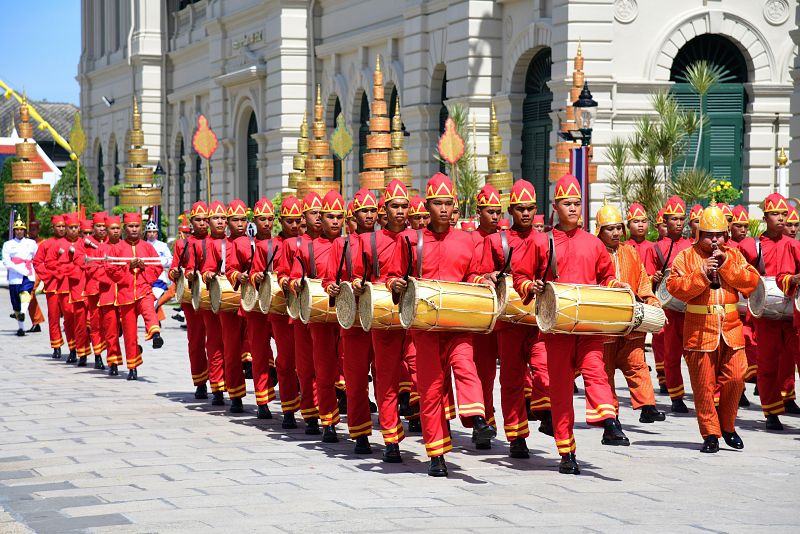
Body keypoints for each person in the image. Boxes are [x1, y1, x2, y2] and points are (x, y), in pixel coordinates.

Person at [513, 174, 627, 476]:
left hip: (588, 325)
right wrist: (531, 287)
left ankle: (609, 422)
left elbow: (606, 276)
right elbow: (520, 276)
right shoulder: (541, 241)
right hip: (556, 327)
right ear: (555, 207)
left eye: (577, 203)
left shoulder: (594, 243)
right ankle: (567, 452)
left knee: (595, 370)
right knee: (561, 390)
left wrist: (616, 286)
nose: (573, 208)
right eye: (567, 203)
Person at [386, 172, 496, 477]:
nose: (444, 209)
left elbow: (472, 274)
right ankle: (436, 455)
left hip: (458, 322)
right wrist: (396, 285)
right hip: (425, 326)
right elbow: (393, 275)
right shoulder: (409, 240)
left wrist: (483, 280)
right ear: (427, 206)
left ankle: (478, 420)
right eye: (438, 203)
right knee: (431, 389)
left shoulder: (467, 240)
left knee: (465, 366)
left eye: (448, 203)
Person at [666, 205, 759, 452]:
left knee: (736, 378)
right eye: (709, 235)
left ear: (726, 234)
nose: (715, 240)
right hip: (699, 330)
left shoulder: (734, 255)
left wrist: (726, 265)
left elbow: (751, 282)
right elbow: (675, 287)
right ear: (699, 234)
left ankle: (727, 426)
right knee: (703, 386)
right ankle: (710, 434)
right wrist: (702, 274)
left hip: (731, 329)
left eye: (719, 235)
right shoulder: (686, 256)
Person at [481, 179, 551, 459]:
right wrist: (489, 277)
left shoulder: (545, 241)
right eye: (520, 208)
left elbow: (553, 277)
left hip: (537, 319)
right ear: (510, 210)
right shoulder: (496, 241)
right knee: (511, 379)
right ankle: (517, 436)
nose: (525, 213)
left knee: (544, 369)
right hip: (509, 322)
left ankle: (545, 412)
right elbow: (482, 273)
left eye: (530, 208)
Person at [356, 180, 419, 462]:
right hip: (383, 318)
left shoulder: (417, 239)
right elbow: (358, 277)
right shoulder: (370, 241)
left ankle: (432, 428)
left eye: (404, 206)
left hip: (415, 318)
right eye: (395, 206)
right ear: (385, 209)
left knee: (423, 374)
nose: (400, 211)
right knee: (386, 379)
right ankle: (391, 438)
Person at [595, 202, 665, 424]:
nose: (615, 232)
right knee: (605, 371)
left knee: (637, 363)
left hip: (632, 321)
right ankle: (611, 416)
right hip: (605, 323)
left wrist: (651, 300)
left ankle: (648, 406)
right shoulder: (594, 252)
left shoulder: (631, 252)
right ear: (599, 231)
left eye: (618, 228)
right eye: (610, 229)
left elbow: (643, 281)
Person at [290, 190, 347, 442]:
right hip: (319, 317)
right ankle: (327, 420)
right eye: (329, 217)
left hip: (347, 318)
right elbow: (293, 278)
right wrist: (298, 284)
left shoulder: (350, 245)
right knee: (319, 370)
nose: (334, 221)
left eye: (338, 217)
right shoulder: (307, 248)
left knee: (348, 371)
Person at [324, 188, 378, 454]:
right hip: (353, 320)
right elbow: (329, 279)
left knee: (386, 380)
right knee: (356, 380)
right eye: (363, 211)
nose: (368, 215)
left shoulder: (388, 240)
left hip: (381, 320)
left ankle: (391, 437)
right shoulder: (341, 245)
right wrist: (335, 287)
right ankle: (360, 433)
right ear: (353, 215)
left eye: (372, 211)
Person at [737, 193, 797, 430]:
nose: (781, 218)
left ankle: (788, 397)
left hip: (793, 315)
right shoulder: (752, 246)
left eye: (784, 214)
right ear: (764, 218)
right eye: (775, 214)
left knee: (792, 361)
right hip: (766, 315)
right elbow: (739, 274)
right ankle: (771, 412)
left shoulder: (794, 245)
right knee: (768, 364)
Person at [251, 195, 304, 429]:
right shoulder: (267, 246)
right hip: (277, 308)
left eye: (297, 221)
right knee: (280, 358)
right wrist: (258, 278)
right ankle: (281, 406)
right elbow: (254, 272)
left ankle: (310, 409)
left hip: (302, 309)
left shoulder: (307, 244)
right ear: (281, 221)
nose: (294, 225)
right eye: (289, 221)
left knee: (302, 360)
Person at [277, 192, 323, 433]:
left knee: (324, 366)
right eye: (314, 213)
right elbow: (284, 273)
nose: (319, 217)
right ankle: (300, 411)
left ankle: (326, 414)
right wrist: (290, 283)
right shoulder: (291, 244)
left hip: (326, 313)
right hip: (300, 312)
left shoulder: (336, 242)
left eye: (321, 213)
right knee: (296, 363)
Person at [228, 197, 277, 419]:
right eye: (262, 219)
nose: (266, 223)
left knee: (288, 355)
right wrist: (240, 276)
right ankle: (262, 401)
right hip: (255, 306)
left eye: (270, 219)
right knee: (259, 353)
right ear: (254, 221)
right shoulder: (243, 244)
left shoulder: (282, 243)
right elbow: (231, 269)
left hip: (279, 306)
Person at [644, 196, 692, 412]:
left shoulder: (692, 246)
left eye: (681, 219)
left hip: (691, 308)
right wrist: (653, 279)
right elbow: (646, 280)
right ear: (665, 221)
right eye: (674, 219)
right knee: (672, 354)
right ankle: (676, 397)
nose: (679, 223)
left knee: (694, 354)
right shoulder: (656, 248)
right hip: (669, 309)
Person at [202, 200, 249, 412]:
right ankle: (233, 393)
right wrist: (209, 276)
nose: (239, 224)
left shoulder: (254, 243)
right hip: (228, 301)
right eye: (235, 220)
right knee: (227, 348)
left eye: (243, 220)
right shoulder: (218, 245)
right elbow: (207, 270)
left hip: (253, 302)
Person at [107, 213, 164, 380]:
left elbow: (157, 267)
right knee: (130, 333)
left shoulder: (148, 247)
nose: (134, 229)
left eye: (136, 226)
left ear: (141, 228)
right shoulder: (117, 248)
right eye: (130, 226)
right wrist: (127, 267)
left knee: (149, 310)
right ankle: (132, 367)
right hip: (125, 295)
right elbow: (111, 272)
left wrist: (144, 267)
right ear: (125, 228)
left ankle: (155, 334)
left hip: (143, 289)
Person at [169, 201, 216, 397]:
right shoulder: (182, 244)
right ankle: (200, 382)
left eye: (205, 220)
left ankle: (217, 383)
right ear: (191, 222)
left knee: (214, 341)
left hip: (212, 297)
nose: (202, 223)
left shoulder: (215, 242)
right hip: (191, 298)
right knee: (195, 341)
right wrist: (177, 273)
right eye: (198, 220)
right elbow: (173, 269)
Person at [469, 184, 502, 450]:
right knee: (484, 374)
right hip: (479, 316)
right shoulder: (469, 240)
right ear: (479, 212)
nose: (495, 216)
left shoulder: (506, 239)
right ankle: (484, 423)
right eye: (490, 211)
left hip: (507, 316)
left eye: (498, 212)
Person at [728, 205, 758, 403]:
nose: (743, 229)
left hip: (750, 301)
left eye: (745, 226)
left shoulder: (752, 245)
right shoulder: (726, 245)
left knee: (752, 344)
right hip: (732, 304)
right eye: (738, 225)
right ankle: (739, 390)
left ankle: (755, 382)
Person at [57, 213, 91, 364]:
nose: (73, 230)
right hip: (65, 287)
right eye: (70, 227)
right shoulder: (58, 244)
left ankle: (85, 350)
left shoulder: (86, 244)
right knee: (70, 320)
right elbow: (55, 265)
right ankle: (72, 349)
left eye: (76, 227)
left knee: (84, 321)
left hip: (83, 286)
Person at [34, 215, 67, 358]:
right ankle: (56, 346)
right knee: (53, 317)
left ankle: (74, 347)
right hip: (52, 286)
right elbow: (37, 262)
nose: (61, 229)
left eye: (63, 226)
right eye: (58, 226)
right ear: (52, 228)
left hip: (68, 285)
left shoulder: (71, 243)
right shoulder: (45, 244)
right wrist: (48, 276)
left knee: (70, 317)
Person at [95, 216, 123, 375]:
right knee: (111, 331)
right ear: (107, 230)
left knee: (128, 329)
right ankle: (113, 361)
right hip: (108, 294)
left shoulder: (127, 247)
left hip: (126, 294)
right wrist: (113, 276)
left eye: (118, 228)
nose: (116, 231)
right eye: (112, 228)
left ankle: (134, 355)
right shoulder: (100, 249)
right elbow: (94, 269)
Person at [2, 216, 38, 336]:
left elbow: (37, 257)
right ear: (14, 231)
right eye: (17, 229)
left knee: (25, 293)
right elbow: (6, 261)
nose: (19, 231)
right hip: (14, 276)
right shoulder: (8, 244)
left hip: (28, 274)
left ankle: (23, 312)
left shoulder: (31, 243)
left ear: (24, 230)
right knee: (16, 303)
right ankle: (21, 328)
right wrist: (18, 268)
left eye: (21, 229)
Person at [83, 212, 108, 369]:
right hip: (94, 289)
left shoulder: (113, 242)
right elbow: (85, 265)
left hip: (110, 289)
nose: (102, 229)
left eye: (104, 226)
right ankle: (98, 354)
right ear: (93, 227)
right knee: (96, 323)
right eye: (98, 226)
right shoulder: (85, 243)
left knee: (112, 323)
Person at [22, 219, 45, 333]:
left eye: (34, 229)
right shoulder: (25, 242)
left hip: (38, 269)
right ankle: (36, 322)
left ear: (38, 230)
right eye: (30, 229)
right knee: (29, 294)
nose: (32, 232)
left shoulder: (43, 242)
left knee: (29, 291)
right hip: (27, 269)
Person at [145, 220, 173, 311]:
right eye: (149, 232)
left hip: (159, 278)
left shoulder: (163, 245)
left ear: (157, 233)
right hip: (145, 278)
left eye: (154, 232)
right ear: (146, 233)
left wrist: (160, 261)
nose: (152, 234)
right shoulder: (142, 245)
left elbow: (170, 260)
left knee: (153, 303)